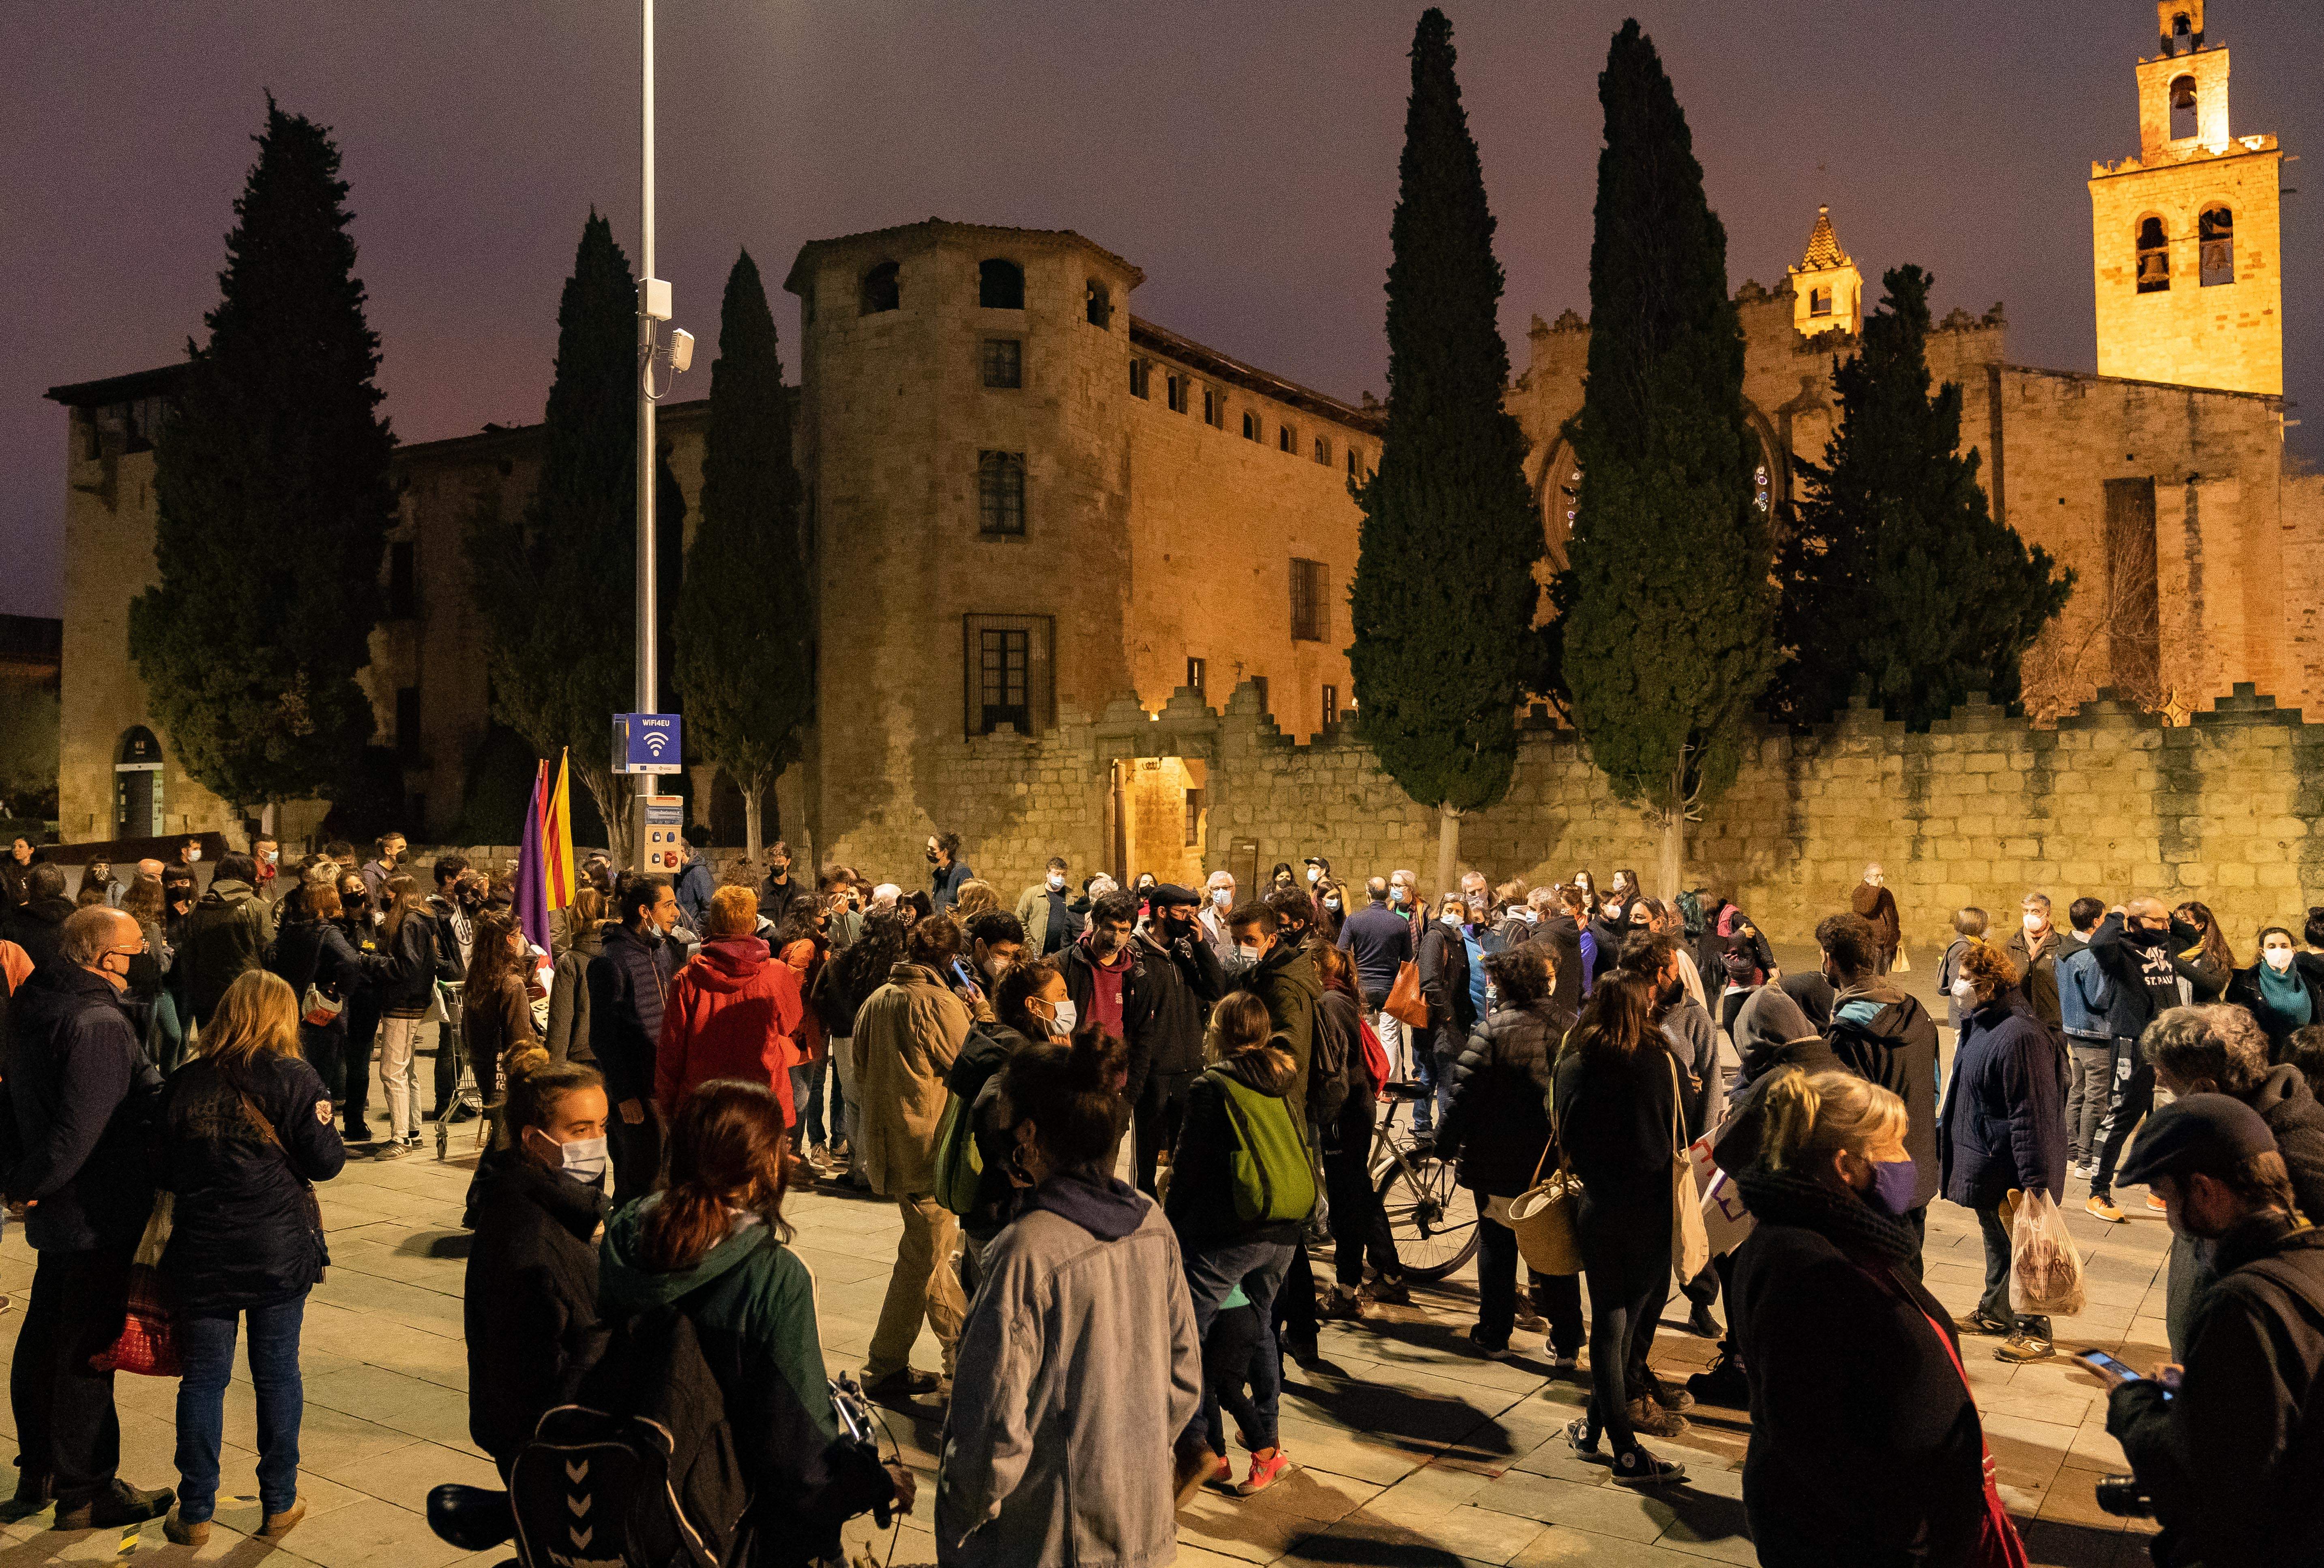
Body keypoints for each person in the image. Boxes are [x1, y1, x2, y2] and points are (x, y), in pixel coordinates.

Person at [598, 1081, 909, 1566]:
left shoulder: (624, 1237)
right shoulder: (775, 1278)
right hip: (734, 1528)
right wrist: (877, 1481)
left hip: (635, 1505)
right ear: (762, 1165)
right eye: (781, 1144)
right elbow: (803, 1461)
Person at [937, 1030, 1203, 1559]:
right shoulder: (1152, 1223)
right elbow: (1183, 1380)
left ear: (1028, 1133)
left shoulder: (1028, 1251)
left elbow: (989, 1424)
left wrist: (961, 1523)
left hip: (1053, 1536)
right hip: (1142, 1525)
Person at [1728, 1068, 1996, 1566]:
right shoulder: (1802, 1263)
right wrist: (1904, 1528)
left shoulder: (1848, 1236)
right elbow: (1804, 1430)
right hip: (1846, 1541)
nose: (1905, 1160)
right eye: (1891, 1146)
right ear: (1844, 1165)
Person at [155, 970, 343, 1547]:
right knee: (278, 1371)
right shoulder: (295, 1077)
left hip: (203, 1249)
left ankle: (195, 1510)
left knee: (203, 1379)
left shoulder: (185, 1081)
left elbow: (163, 1167)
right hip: (276, 1247)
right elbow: (326, 1162)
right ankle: (279, 1501)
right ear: (281, 1017)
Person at [2102, 1094, 2324, 1566]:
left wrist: (2130, 1403)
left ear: (2204, 1191)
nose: (2169, 1217)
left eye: (2168, 1196)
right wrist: (2203, 1390)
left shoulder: (2240, 1305)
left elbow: (2200, 1478)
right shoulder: (2311, 1260)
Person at [6, 906, 174, 1527]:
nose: (143, 957)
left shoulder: (35, 1001)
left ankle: (40, 1469)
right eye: (136, 948)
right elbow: (81, 1129)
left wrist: (20, 1179)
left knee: (45, 1336)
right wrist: (30, 1183)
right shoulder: (98, 1020)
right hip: (95, 1208)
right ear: (106, 957)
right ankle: (86, 1490)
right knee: (86, 1349)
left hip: (58, 1205)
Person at [1165, 992, 1306, 1500]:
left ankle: (1204, 1449)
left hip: (1231, 1230)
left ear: (1218, 1031)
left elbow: (1188, 1167)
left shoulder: (1213, 1085)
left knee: (1188, 1335)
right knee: (1261, 1326)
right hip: (1285, 1226)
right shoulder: (1283, 1078)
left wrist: (1169, 1225)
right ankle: (1267, 1445)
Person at [1553, 970, 1686, 1485]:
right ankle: (1626, 1453)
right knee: (1623, 1329)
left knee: (1611, 1323)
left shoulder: (1575, 1063)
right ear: (1643, 1004)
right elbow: (1685, 1122)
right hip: (1651, 1207)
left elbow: (1562, 1131)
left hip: (1599, 1205)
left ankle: (1593, 1430)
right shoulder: (1661, 1061)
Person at [2139, 1003, 2324, 1356]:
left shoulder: (2296, 1149)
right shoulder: (2216, 1128)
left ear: (2205, 1086)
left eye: (2168, 1077)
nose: (2159, 1081)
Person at [464, 1060, 610, 1475]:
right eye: (580, 1130)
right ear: (533, 1139)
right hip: (553, 1452)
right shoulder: (528, 1239)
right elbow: (535, 1375)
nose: (597, 1142)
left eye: (602, 1126)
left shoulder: (552, 1206)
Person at [851, 914, 974, 1406]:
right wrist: (981, 1020)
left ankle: (887, 1365)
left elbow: (859, 1070)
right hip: (926, 1148)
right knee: (931, 1260)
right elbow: (969, 1065)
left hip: (889, 1144)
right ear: (950, 958)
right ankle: (962, 1360)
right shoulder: (938, 1003)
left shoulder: (878, 999)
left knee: (920, 1256)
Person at [1436, 944, 1577, 1362]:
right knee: (1554, 1246)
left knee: (1497, 1247)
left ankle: (1494, 1333)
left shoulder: (1492, 1030)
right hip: (1551, 1163)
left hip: (1495, 1159)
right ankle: (1567, 1341)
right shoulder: (1571, 1028)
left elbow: (1463, 1095)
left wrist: (1444, 1142)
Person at [1940, 942, 2067, 1362]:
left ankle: (2035, 1331)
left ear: (1990, 985)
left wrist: (2035, 1184)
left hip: (2010, 1168)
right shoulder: (1982, 1022)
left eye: (1965, 979)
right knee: (1997, 1244)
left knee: (2024, 1250)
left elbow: (2032, 1115)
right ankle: (1996, 1312)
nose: (1956, 986)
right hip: (1986, 1159)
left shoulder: (2020, 1036)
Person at [1814, 913, 1941, 1272]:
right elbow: (1933, 1091)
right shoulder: (1917, 1012)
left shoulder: (1847, 1034)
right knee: (1910, 1276)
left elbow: (1847, 1117)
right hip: (1915, 1170)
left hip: (1875, 1183)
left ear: (1830, 959)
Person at [2087, 899, 2208, 1222]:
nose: (2166, 927)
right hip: (2134, 1041)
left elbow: (2193, 935)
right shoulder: (2118, 950)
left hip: (2166, 1040)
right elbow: (2099, 942)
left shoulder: (2165, 943)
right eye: (2158, 921)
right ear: (2136, 921)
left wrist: (2164, 915)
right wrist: (2118, 914)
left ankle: (2158, 1189)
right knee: (2122, 1114)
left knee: (2166, 1116)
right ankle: (2098, 1192)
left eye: (2167, 921)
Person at [946, 959, 1062, 1291]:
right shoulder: (1019, 1056)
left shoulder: (998, 1041)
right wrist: (1015, 1166)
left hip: (988, 1208)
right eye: (1060, 994)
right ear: (1034, 1005)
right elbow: (991, 1108)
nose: (1068, 1003)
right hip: (1004, 1213)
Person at [655, 886, 805, 1119]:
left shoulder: (687, 978)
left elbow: (671, 1051)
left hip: (705, 1103)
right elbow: (791, 1025)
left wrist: (669, 1110)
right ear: (754, 924)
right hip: (763, 1100)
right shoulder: (776, 974)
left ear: (713, 924)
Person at [1127, 886, 1225, 1197]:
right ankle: (1144, 1211)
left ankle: (1180, 1211)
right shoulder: (1135, 952)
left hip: (1189, 1067)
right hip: (1153, 1070)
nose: (1190, 919)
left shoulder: (1186, 950)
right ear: (1161, 912)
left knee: (1187, 1156)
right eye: (1183, 913)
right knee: (1145, 1159)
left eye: (1193, 912)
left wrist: (1200, 945)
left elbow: (1216, 989)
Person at [588, 874, 681, 1203]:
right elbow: (602, 1036)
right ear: (645, 911)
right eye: (668, 905)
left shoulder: (663, 951)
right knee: (639, 1182)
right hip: (635, 1092)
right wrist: (624, 1094)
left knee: (664, 1178)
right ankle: (626, 1232)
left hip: (662, 1083)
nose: (676, 913)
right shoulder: (610, 961)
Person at [1229, 898, 1321, 1111]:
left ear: (1271, 940)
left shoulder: (1281, 986)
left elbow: (1290, 1055)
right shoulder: (1259, 974)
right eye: (1236, 940)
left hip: (1280, 1101)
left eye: (1250, 940)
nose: (1241, 947)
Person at [173, 851, 277, 1033]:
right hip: (246, 992)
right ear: (249, 873)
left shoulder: (198, 908)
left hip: (206, 994)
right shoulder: (256, 907)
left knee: (211, 1044)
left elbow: (189, 955)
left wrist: (194, 991)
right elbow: (268, 952)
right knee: (243, 1043)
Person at [371, 877, 439, 1154]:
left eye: (386, 893)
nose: (383, 898)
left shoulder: (410, 921)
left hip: (403, 1003)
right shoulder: (421, 918)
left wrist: (371, 962)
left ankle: (400, 1139)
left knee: (391, 1071)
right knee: (406, 1069)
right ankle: (413, 1130)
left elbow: (406, 966)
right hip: (413, 1002)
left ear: (398, 895)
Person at [2056, 897, 2117, 1176]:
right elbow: (2099, 998)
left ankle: (2071, 1152)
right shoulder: (2090, 956)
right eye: (2105, 918)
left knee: (2078, 1092)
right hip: (2095, 1033)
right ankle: (2086, 1160)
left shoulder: (2065, 949)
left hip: (2074, 1030)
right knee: (2096, 1098)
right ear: (2095, 922)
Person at [776, 896, 837, 1165]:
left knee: (801, 1093)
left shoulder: (804, 943)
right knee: (799, 1096)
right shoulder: (807, 946)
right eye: (822, 911)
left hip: (804, 1029)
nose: (827, 915)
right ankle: (792, 1156)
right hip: (801, 1032)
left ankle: (791, 1154)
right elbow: (793, 990)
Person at [461, 909, 540, 1103]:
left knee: (495, 1115)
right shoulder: (512, 983)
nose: (522, 939)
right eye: (519, 934)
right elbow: (520, 1038)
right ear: (509, 940)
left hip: (482, 1062)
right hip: (507, 1069)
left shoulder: (476, 978)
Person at [1412, 893, 1472, 1133]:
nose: (1454, 915)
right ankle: (1443, 1132)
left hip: (1448, 1020)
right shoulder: (1435, 937)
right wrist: (1447, 1014)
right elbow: (1429, 980)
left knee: (1431, 1072)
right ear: (1440, 911)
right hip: (1439, 1021)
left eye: (1459, 911)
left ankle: (1422, 1126)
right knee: (1447, 1077)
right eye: (1449, 910)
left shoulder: (1457, 939)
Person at [2227, 924, 2324, 1061]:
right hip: (2267, 1057)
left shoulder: (2308, 978)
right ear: (2262, 952)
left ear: (2293, 950)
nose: (2279, 951)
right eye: (2272, 947)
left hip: (2304, 1056)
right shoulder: (2245, 983)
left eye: (2284, 946)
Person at [1338, 876, 1413, 1033]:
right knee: (1390, 1036)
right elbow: (1407, 959)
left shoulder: (1354, 920)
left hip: (1362, 986)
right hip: (1390, 988)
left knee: (1364, 1035)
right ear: (1388, 894)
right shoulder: (1401, 923)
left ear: (1368, 894)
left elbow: (1342, 951)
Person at [544, 882, 607, 1065]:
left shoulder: (570, 961)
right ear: (605, 911)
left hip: (584, 1059)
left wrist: (555, 1069)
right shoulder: (621, 952)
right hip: (618, 1056)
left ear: (574, 915)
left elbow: (561, 1020)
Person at [2005, 891, 2064, 1032]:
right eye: (2026, 911)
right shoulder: (2012, 945)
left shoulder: (2061, 945)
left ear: (2047, 914)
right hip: (2019, 1021)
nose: (2029, 916)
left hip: (2052, 1023)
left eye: (2035, 911)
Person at [2, 863, 76, 974]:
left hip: (30, 980)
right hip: (69, 980)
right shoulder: (77, 919)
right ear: (63, 886)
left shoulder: (14, 923)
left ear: (30, 888)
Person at [1012, 856, 1082, 957]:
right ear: (1047, 873)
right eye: (1057, 874)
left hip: (1063, 953)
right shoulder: (1032, 894)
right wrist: (1031, 945)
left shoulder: (1072, 896)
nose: (1061, 878)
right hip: (1038, 953)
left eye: (1064, 875)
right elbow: (1019, 920)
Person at [1935, 907, 1986, 1033]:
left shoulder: (1975, 943)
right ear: (1977, 925)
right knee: (1962, 1044)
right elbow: (1958, 984)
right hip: (1964, 1013)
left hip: (1971, 1010)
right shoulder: (1963, 948)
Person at [1850, 863, 1901, 973]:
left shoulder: (1886, 893)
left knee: (1882, 976)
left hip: (1888, 944)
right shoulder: (1860, 892)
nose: (1880, 879)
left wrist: (1896, 934)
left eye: (1882, 875)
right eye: (1877, 876)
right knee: (1873, 977)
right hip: (1872, 944)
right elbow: (1865, 909)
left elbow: (1894, 915)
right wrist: (1873, 888)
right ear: (1868, 876)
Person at [673, 834, 715, 932]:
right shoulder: (679, 872)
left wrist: (695, 929)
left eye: (672, 853)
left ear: (682, 851)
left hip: (692, 932)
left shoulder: (699, 872)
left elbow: (710, 906)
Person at [1197, 870, 1238, 967]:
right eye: (1216, 889)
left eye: (1226, 888)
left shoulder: (1244, 917)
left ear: (1233, 891)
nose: (1221, 892)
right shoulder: (1202, 918)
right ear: (1210, 892)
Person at [927, 831, 973, 912]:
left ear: (945, 852)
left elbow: (969, 906)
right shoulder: (939, 873)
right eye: (928, 847)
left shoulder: (962, 872)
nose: (928, 850)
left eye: (932, 849)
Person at [358, 832, 406, 905]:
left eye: (405, 847)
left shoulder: (397, 871)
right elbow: (370, 902)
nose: (405, 851)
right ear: (388, 851)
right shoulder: (370, 874)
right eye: (401, 848)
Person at [0, 835, 39, 909]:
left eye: (21, 847)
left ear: (31, 850)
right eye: (14, 847)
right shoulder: (8, 870)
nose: (16, 850)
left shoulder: (38, 869)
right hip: (17, 909)